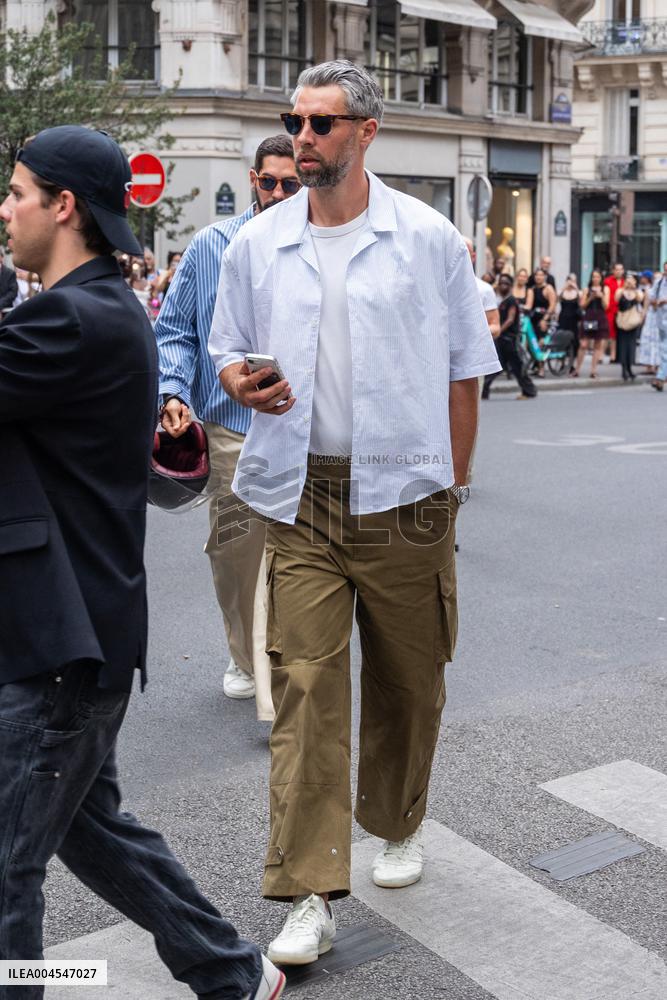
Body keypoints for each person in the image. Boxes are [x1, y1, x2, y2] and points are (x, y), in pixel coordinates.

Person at [209, 59, 501, 966]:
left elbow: (465, 368)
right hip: (301, 495)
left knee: (410, 685)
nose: (302, 138)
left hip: (406, 494)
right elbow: (226, 349)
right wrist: (236, 382)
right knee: (301, 688)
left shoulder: (424, 238)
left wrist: (450, 486)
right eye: (295, 122)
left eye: (322, 124)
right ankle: (306, 888)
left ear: (366, 133)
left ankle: (396, 820)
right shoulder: (260, 243)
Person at [0, 125, 285, 1000]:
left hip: (61, 644)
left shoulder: (74, 317)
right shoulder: (94, 309)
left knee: (7, 870)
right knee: (92, 831)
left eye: (15, 192)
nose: (4, 209)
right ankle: (233, 973)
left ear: (63, 206)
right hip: (76, 635)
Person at [155, 134, 300, 719]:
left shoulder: (318, 244)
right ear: (252, 179)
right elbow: (175, 330)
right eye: (271, 182)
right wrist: (172, 391)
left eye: (294, 184)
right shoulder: (211, 245)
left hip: (304, 429)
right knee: (238, 552)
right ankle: (247, 657)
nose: (281, 193)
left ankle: (282, 669)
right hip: (232, 428)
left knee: (300, 555)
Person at [482, 273, 537, 400]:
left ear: (510, 285)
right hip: (502, 340)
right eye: (501, 283)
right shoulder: (499, 300)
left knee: (517, 366)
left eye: (506, 283)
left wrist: (499, 330)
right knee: (497, 366)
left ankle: (530, 391)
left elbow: (510, 319)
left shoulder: (511, 300)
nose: (503, 286)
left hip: (510, 340)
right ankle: (484, 391)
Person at [572, 269, 609, 378]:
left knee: (597, 344)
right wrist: (590, 298)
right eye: (593, 277)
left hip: (600, 317)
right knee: (584, 344)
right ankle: (577, 369)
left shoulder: (605, 289)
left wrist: (601, 296)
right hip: (589, 317)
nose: (595, 279)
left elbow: (607, 306)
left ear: (601, 278)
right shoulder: (586, 289)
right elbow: (582, 305)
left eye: (597, 277)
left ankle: (593, 370)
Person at [614, 273, 644, 381]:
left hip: (632, 321)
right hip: (622, 321)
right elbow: (616, 299)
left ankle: (630, 368)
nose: (629, 282)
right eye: (627, 280)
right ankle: (623, 369)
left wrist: (634, 288)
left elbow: (640, 298)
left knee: (631, 345)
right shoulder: (620, 291)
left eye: (632, 280)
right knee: (622, 345)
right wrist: (624, 288)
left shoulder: (638, 292)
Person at [529, 267, 557, 377]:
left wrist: (545, 319)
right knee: (531, 343)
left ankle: (541, 368)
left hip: (545, 319)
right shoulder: (532, 289)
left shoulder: (548, 288)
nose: (538, 277)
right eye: (536, 275)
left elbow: (552, 304)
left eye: (541, 275)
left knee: (540, 343)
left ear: (544, 277)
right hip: (533, 319)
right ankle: (536, 365)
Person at [637, 269, 660, 375]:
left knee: (658, 341)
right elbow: (645, 305)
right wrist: (642, 318)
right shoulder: (649, 290)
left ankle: (658, 365)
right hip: (650, 318)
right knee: (647, 340)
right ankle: (648, 366)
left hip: (661, 318)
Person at [649, 261, 667, 391]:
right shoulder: (659, 282)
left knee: (666, 351)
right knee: (663, 350)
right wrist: (656, 302)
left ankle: (660, 377)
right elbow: (651, 299)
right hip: (661, 321)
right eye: (665, 270)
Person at [557, 273, 581, 372]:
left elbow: (582, 302)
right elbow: (557, 298)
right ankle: (562, 363)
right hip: (563, 319)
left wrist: (576, 288)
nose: (571, 282)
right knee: (562, 341)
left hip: (574, 320)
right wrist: (564, 287)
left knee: (574, 342)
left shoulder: (578, 292)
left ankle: (572, 364)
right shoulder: (562, 292)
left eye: (573, 280)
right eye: (569, 280)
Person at [604, 261, 625, 362]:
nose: (619, 271)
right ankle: (602, 355)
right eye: (617, 269)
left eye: (620, 269)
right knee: (609, 333)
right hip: (610, 310)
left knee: (616, 335)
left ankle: (614, 355)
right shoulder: (608, 281)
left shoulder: (625, 282)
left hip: (621, 311)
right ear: (613, 271)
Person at [0, 246, 18, 313]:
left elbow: (13, 292)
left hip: (6, 311)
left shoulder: (10, 273)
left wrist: (1, 304)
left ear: (1, 257)